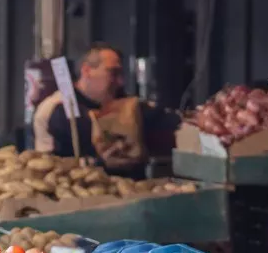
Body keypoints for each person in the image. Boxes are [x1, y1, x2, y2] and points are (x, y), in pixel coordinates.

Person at [33, 43, 180, 179]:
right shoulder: (56, 110)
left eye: (121, 74)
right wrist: (99, 163)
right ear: (87, 71)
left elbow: (164, 121)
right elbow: (50, 167)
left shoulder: (126, 103)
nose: (120, 81)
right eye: (113, 73)